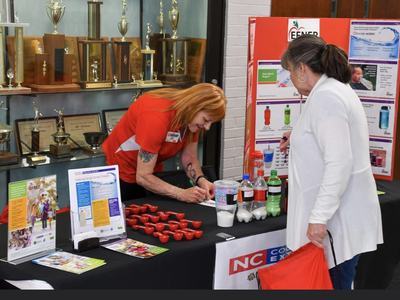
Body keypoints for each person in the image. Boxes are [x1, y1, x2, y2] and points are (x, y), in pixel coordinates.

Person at [279, 34, 383, 289]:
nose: (291, 81)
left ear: (302, 69)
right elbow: (333, 140)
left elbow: (339, 162)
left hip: (334, 223)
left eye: (290, 72)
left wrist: (318, 217)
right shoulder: (333, 90)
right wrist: (299, 135)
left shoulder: (327, 97)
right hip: (339, 217)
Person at [102, 83, 227, 203]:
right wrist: (181, 193)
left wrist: (201, 180)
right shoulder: (157, 116)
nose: (207, 127)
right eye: (206, 120)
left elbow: (189, 157)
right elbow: (143, 176)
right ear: (194, 106)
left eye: (211, 122)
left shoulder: (191, 119)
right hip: (123, 169)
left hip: (151, 171)